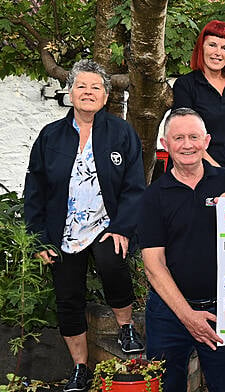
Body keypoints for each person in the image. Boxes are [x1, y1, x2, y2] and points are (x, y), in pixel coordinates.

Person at [24, 59, 145, 392]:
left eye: (96, 87)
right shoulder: (50, 136)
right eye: (82, 86)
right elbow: (35, 190)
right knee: (67, 296)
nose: (88, 92)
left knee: (111, 260)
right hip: (62, 231)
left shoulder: (122, 133)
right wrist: (38, 240)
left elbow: (135, 186)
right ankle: (80, 368)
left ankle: (126, 326)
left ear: (105, 97)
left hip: (107, 224)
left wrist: (122, 227)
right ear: (70, 92)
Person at [139, 108, 225, 392]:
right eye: (178, 138)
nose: (187, 144)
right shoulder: (153, 196)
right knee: (166, 386)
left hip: (224, 310)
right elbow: (154, 265)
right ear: (165, 144)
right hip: (169, 313)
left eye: (194, 137)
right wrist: (188, 317)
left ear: (207, 141)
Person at [172, 20, 225, 195]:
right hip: (199, 174)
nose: (218, 53)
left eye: (224, 48)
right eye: (212, 45)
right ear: (201, 47)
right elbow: (187, 136)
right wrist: (219, 172)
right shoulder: (185, 85)